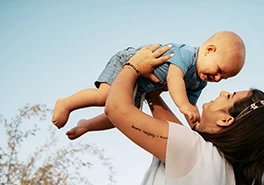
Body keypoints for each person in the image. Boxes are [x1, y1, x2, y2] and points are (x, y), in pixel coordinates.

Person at [89, 44, 264, 185]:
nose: (223, 91)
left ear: (226, 119)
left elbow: (116, 109)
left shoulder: (194, 151)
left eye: (230, 96)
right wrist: (153, 92)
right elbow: (175, 132)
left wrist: (132, 66)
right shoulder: (225, 172)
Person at [52, 31, 246, 133]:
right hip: (128, 62)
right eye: (219, 70)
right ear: (209, 50)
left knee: (124, 116)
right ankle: (66, 103)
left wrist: (194, 121)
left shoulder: (199, 83)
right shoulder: (187, 55)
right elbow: (174, 79)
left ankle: (86, 125)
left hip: (140, 85)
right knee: (104, 96)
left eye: (224, 78)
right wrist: (184, 105)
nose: (218, 79)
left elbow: (190, 107)